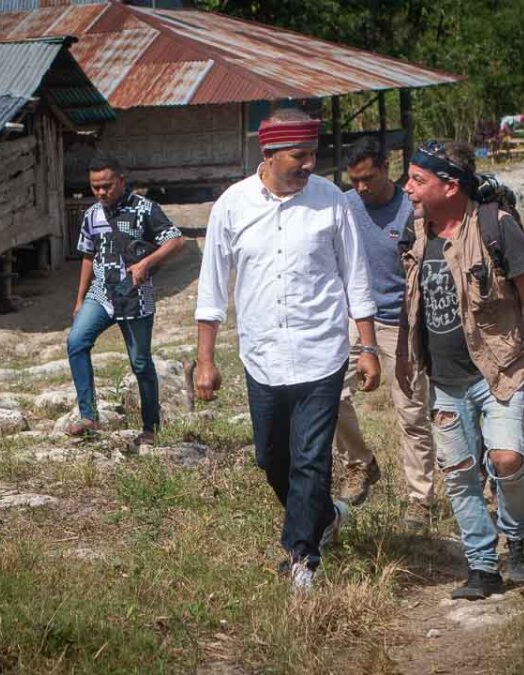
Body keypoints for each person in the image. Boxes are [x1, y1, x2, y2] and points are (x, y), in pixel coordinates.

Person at [194, 108, 380, 592]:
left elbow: (355, 276)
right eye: (299, 156)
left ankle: (302, 557)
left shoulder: (332, 202)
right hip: (262, 355)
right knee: (269, 458)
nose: (309, 165)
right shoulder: (232, 206)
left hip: (321, 351)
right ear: (270, 153)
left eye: (313, 154)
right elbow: (212, 288)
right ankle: (325, 517)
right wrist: (206, 359)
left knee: (310, 459)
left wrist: (367, 346)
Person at [396, 140, 524, 600]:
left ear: (450, 186)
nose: (407, 188)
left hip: (501, 373)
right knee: (461, 472)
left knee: (506, 459)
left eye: (418, 180)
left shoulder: (496, 226)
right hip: (444, 381)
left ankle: (519, 537)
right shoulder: (414, 232)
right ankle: (483, 566)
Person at [335, 136, 436, 524]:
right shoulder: (345, 205)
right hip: (353, 317)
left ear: (386, 166)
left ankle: (420, 498)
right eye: (354, 180)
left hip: (400, 321)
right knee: (329, 395)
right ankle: (359, 462)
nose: (361, 187)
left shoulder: (411, 209)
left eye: (368, 178)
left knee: (411, 412)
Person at [65, 151, 185, 445]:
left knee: (141, 363)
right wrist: (80, 300)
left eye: (106, 185)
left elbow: (176, 240)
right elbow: (87, 255)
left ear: (121, 180)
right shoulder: (92, 214)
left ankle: (150, 427)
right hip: (101, 293)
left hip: (134, 295)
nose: (101, 192)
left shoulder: (145, 209)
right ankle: (88, 416)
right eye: (95, 187)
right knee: (76, 342)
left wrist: (147, 263)